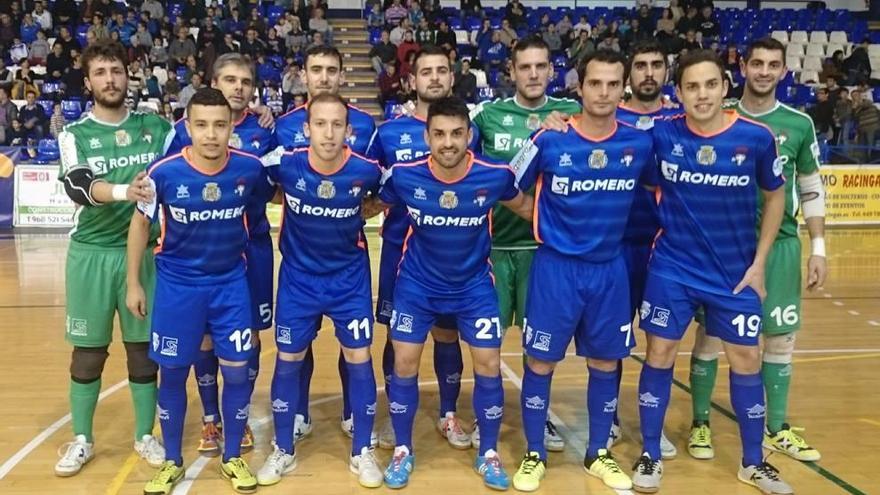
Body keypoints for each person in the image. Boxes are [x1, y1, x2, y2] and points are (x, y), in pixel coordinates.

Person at [630, 49, 791, 495]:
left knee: (747, 360)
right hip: (673, 270)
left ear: (724, 86)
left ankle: (753, 462)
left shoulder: (756, 139)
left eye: (709, 85)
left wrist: (759, 264)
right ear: (677, 93)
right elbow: (626, 158)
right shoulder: (660, 137)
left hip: (734, 275)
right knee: (659, 356)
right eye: (691, 87)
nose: (701, 95)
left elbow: (775, 196)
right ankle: (648, 452)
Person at [509, 48, 655, 493]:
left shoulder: (639, 142)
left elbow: (660, 188)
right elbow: (506, 184)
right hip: (556, 269)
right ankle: (534, 452)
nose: (605, 92)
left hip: (609, 269)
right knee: (540, 361)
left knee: (606, 361)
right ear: (580, 86)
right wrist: (540, 217)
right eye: (596, 83)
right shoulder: (549, 139)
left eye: (614, 84)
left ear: (623, 86)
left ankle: (597, 452)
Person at [369, 96, 533, 490]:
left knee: (489, 365)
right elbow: (367, 206)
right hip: (417, 287)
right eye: (439, 134)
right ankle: (403, 450)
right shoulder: (404, 177)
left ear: (469, 135)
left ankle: (489, 453)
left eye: (457, 134)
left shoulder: (493, 175)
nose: (448, 143)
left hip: (474, 287)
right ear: (426, 136)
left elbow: (529, 208)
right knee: (403, 364)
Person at [686, 37, 828, 469]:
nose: (764, 71)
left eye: (773, 65)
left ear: (785, 71)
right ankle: (700, 421)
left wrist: (819, 248)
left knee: (780, 337)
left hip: (782, 243)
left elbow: (810, 187)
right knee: (711, 336)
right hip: (725, 246)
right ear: (743, 68)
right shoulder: (719, 113)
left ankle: (777, 426)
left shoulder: (799, 123)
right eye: (757, 64)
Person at [127, 87, 271, 495]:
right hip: (178, 289)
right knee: (172, 373)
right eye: (202, 125)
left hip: (230, 286)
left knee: (238, 371)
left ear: (231, 129)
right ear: (187, 127)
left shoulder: (250, 169)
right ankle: (171, 461)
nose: (211, 134)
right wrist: (133, 282)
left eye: (220, 125)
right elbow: (139, 225)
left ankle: (232, 456)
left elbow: (257, 220)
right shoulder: (164, 173)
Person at [54, 39, 173, 478]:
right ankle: (82, 439)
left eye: (117, 70)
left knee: (143, 351)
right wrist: (126, 191)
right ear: (88, 82)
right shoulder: (74, 135)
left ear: (129, 76)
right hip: (92, 254)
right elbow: (80, 186)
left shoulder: (156, 127)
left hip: (144, 255)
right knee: (88, 353)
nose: (110, 79)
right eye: (101, 72)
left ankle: (145, 434)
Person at [256, 93, 384, 488]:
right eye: (321, 124)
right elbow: (250, 177)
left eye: (337, 125)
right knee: (289, 358)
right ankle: (283, 449)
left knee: (359, 357)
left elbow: (387, 195)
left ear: (349, 130)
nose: (329, 133)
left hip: (349, 281)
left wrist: (367, 209)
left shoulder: (366, 170)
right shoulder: (285, 164)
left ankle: (362, 450)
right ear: (306, 128)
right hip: (298, 279)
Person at [367, 46, 482, 452]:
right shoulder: (388, 134)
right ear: (411, 81)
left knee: (447, 334)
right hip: (401, 251)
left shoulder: (471, 131)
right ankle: (390, 413)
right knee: (397, 338)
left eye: (441, 71)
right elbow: (371, 191)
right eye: (425, 72)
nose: (433, 78)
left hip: (454, 256)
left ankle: (448, 413)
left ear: (452, 77)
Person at [470, 36, 580, 451]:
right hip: (494, 249)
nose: (533, 74)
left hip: (545, 251)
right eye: (525, 67)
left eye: (541, 66)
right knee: (488, 348)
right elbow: (450, 142)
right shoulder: (488, 115)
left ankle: (541, 418)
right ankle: (487, 419)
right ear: (511, 72)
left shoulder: (573, 113)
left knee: (541, 349)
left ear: (551, 71)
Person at [165, 53, 278, 458]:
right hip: (202, 255)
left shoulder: (268, 131)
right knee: (206, 339)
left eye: (246, 82)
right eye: (229, 80)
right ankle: (211, 418)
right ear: (213, 83)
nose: (238, 88)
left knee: (246, 338)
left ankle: (240, 417)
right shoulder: (181, 131)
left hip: (254, 248)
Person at [271, 44, 378, 443]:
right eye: (316, 70)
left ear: (341, 75)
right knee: (297, 344)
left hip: (347, 259)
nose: (324, 77)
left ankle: (354, 413)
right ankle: (298, 412)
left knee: (355, 348)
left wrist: (363, 207)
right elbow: (268, 180)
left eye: (331, 70)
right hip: (300, 259)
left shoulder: (366, 126)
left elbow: (378, 181)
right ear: (304, 74)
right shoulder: (281, 126)